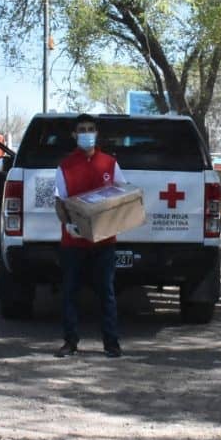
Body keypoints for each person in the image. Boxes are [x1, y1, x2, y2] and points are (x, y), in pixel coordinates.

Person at [53, 114, 127, 358]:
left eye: (90, 129)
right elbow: (59, 202)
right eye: (82, 129)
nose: (86, 133)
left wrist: (115, 222)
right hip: (73, 242)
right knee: (70, 293)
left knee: (106, 293)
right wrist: (69, 225)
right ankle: (70, 341)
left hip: (104, 241)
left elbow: (122, 197)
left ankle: (111, 343)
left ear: (96, 133)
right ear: (74, 135)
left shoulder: (109, 163)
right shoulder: (65, 166)